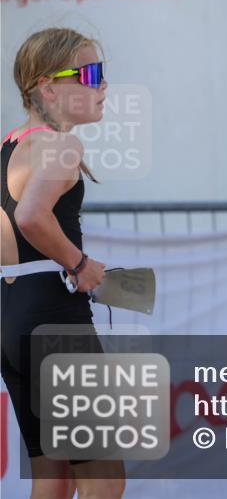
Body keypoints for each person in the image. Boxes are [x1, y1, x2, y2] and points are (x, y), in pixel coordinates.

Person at [1, 28, 125, 498]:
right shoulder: (61, 145)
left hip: (12, 319)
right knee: (103, 481)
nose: (102, 85)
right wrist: (80, 265)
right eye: (90, 73)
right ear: (48, 86)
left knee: (52, 482)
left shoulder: (8, 147)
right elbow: (31, 216)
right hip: (53, 318)